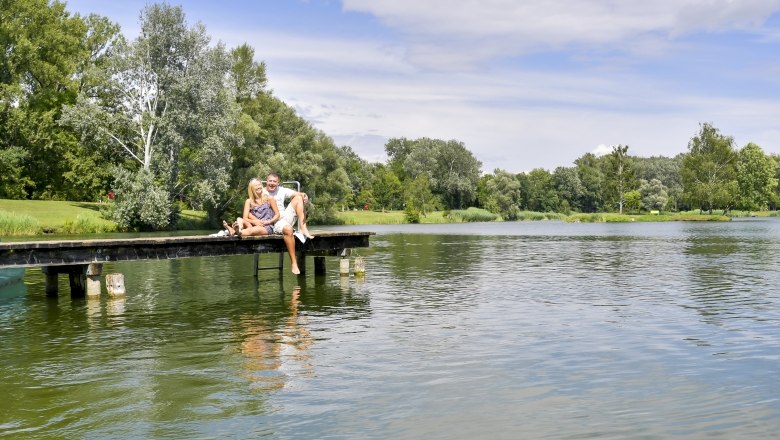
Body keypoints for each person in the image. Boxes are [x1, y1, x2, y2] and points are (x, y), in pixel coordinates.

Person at [264, 172, 314, 275]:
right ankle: (294, 263)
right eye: (270, 181)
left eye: (274, 181)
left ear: (278, 183)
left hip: (285, 217)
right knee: (288, 229)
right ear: (267, 181)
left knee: (298, 198)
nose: (272, 183)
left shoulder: (281, 190)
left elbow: (298, 194)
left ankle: (303, 227)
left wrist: (304, 195)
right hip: (274, 221)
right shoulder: (262, 192)